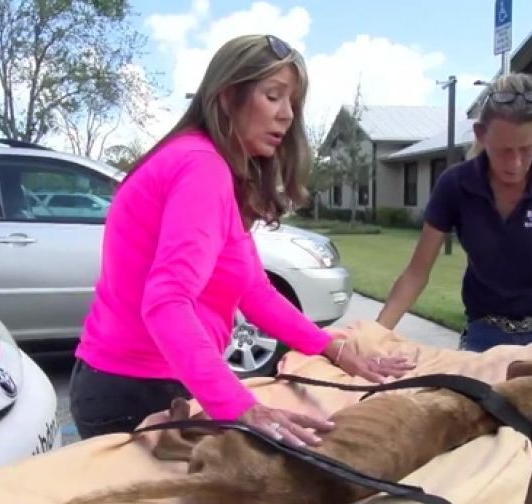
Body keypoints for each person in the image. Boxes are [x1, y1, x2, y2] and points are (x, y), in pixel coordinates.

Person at [69, 34, 414, 449]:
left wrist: (334, 350)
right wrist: (240, 407)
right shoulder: (202, 168)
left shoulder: (209, 168)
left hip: (151, 381)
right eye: (273, 96)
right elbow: (167, 302)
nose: (287, 116)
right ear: (229, 96)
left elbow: (254, 290)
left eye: (293, 103)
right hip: (134, 391)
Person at [376, 72, 532, 504]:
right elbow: (416, 272)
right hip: (484, 338)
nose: (516, 162)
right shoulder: (457, 185)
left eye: (528, 148)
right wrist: (376, 332)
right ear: (481, 135)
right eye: (504, 149)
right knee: (474, 472)